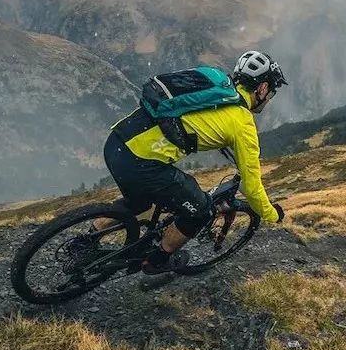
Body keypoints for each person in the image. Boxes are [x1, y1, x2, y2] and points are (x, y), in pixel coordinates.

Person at [99, 50, 286, 274]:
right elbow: (252, 189)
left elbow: (195, 116)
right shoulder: (243, 126)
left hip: (116, 142)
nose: (269, 98)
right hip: (141, 163)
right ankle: (157, 261)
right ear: (263, 88)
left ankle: (84, 241)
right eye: (271, 92)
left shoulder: (214, 81)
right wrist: (272, 214)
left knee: (138, 203)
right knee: (201, 211)